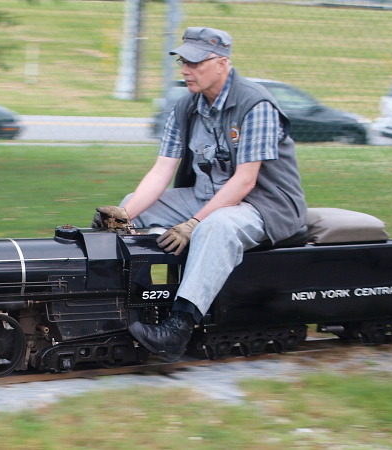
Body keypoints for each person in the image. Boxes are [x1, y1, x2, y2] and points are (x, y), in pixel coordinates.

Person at [93, 26, 307, 361]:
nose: (185, 70)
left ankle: (176, 329)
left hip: (263, 204)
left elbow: (245, 181)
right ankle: (131, 307)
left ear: (222, 63)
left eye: (195, 63)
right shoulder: (186, 107)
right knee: (131, 211)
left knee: (215, 227)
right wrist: (127, 214)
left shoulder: (256, 104)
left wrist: (193, 222)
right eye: (182, 61)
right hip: (207, 195)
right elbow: (163, 169)